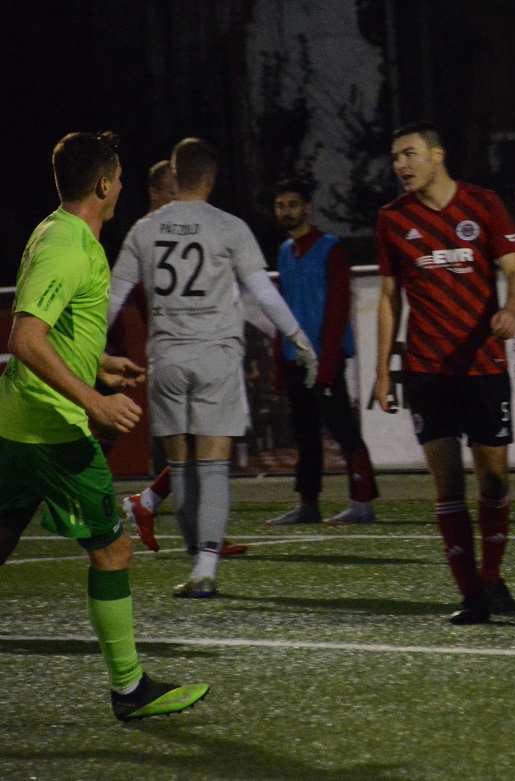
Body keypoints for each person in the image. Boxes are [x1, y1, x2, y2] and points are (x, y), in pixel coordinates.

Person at [0, 131, 209, 720]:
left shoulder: (56, 230)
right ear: (102, 185)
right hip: (55, 432)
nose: (121, 187)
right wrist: (92, 400)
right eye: (117, 179)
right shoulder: (70, 247)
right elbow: (25, 340)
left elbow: (53, 333)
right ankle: (129, 689)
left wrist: (99, 362)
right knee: (113, 550)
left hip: (14, 425)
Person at [108, 137, 318, 598]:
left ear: (176, 176)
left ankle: (194, 562)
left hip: (166, 360)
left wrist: (86, 352)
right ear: (212, 178)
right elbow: (263, 294)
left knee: (181, 472)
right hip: (216, 359)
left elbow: (112, 297)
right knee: (214, 469)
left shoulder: (145, 229)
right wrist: (301, 341)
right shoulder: (230, 227)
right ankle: (205, 569)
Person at [373, 121, 515, 624]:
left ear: (437, 155)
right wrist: (382, 371)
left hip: (482, 367)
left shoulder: (483, 205)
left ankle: (492, 576)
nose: (401, 164)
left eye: (410, 153)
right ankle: (472, 596)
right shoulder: (391, 219)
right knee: (447, 486)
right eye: (396, 156)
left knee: (493, 480)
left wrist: (511, 310)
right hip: (426, 371)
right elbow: (388, 297)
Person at [114, 161, 248, 558]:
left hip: (194, 349)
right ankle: (189, 534)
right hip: (183, 352)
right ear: (156, 194)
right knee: (203, 444)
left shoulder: (167, 236)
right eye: (174, 192)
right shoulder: (148, 240)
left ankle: (158, 509)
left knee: (202, 443)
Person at [263, 178, 380, 526]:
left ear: (308, 209)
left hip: (323, 359)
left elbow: (338, 307)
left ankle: (362, 504)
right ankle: (308, 504)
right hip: (295, 358)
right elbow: (280, 307)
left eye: (293, 205)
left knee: (343, 427)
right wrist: (279, 360)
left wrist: (328, 363)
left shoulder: (331, 248)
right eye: (280, 206)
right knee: (305, 435)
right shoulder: (285, 251)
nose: (286, 212)